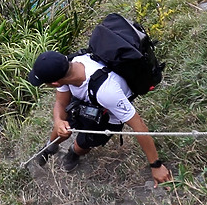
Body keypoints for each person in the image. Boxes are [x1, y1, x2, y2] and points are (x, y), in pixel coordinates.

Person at [28, 50, 173, 187]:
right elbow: (61, 102)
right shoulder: (68, 66)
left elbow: (138, 125)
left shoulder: (107, 92)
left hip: (107, 117)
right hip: (85, 102)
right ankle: (49, 148)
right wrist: (59, 121)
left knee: (82, 145)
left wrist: (156, 165)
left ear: (55, 83)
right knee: (60, 127)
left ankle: (74, 153)